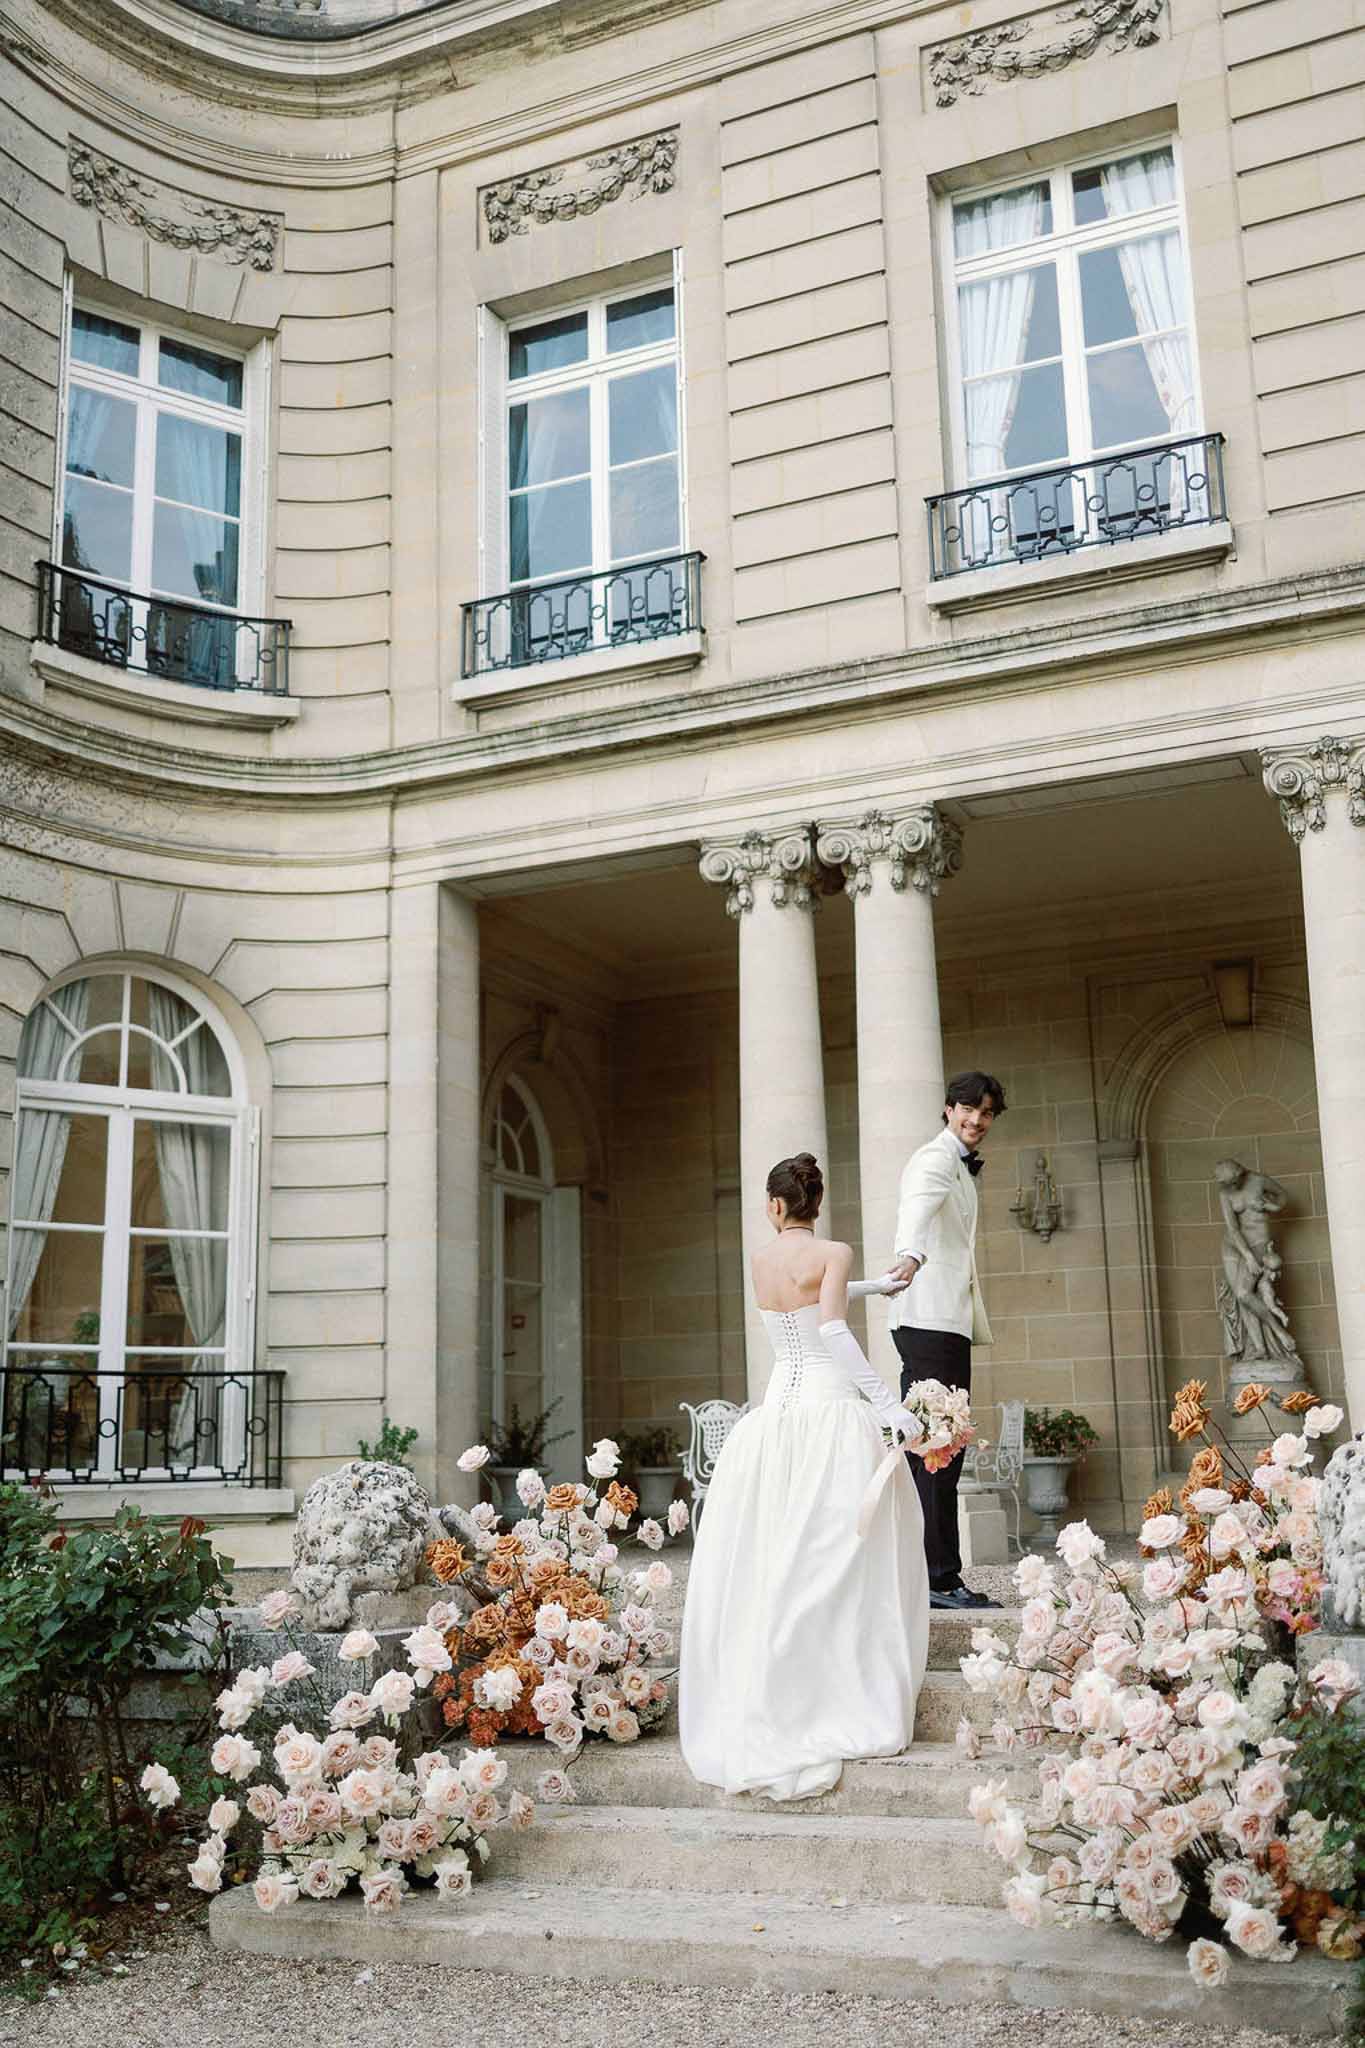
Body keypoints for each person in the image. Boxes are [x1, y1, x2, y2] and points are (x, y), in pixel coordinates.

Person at [680, 1152, 929, 1802]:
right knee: (837, 1550)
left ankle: (772, 1676)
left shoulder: (761, 1259)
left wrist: (870, 1287)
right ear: (816, 1203)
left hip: (772, 1419)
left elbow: (800, 1306)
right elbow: (833, 1331)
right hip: (826, 1414)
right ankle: (828, 1682)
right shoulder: (834, 1249)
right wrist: (889, 1405)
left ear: (774, 1205)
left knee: (779, 1550)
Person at [887, 1071, 1006, 1612]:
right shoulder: (936, 1159)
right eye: (968, 1109)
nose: (976, 1121)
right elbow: (917, 1207)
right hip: (930, 1320)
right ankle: (938, 1580)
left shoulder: (958, 1162)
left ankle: (932, 1577)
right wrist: (910, 1256)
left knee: (939, 1450)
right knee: (937, 1451)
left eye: (985, 1113)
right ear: (948, 1107)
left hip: (943, 1321)